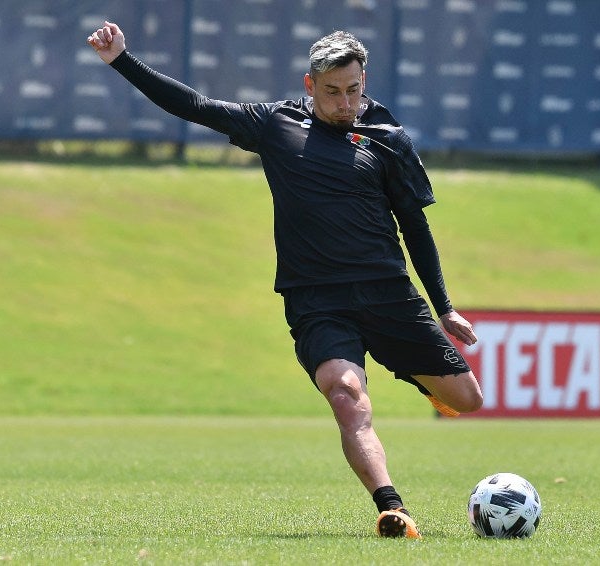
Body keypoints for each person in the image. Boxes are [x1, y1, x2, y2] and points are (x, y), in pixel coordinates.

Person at [87, 22, 483, 539]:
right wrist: (122, 60)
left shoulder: (388, 141)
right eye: (332, 91)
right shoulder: (274, 125)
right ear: (309, 84)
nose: (345, 102)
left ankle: (409, 371)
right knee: (345, 394)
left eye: (354, 91)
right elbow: (196, 107)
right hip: (317, 300)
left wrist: (444, 305)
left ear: (365, 82)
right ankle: (392, 507)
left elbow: (415, 225)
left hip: (388, 294)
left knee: (465, 400)